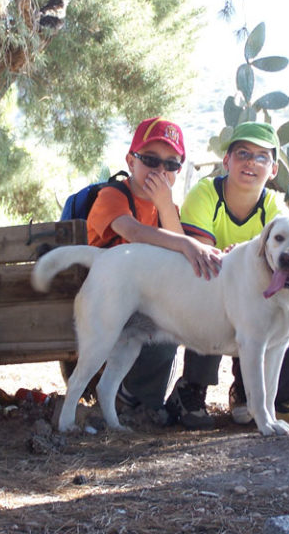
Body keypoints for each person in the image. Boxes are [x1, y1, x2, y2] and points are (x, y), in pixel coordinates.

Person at [164, 121, 289, 430]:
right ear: (227, 161)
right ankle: (192, 389)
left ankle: (283, 398)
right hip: (207, 282)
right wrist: (232, 256)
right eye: (243, 153)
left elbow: (278, 262)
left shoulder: (274, 207)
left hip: (252, 289)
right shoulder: (205, 194)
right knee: (214, 287)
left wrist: (245, 257)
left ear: (273, 170)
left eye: (262, 157)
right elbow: (202, 257)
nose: (251, 162)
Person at [83, 116, 222, 423]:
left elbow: (177, 253)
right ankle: (134, 400)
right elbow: (132, 231)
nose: (160, 171)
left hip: (142, 298)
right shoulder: (113, 196)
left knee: (196, 311)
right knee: (162, 330)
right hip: (107, 300)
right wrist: (186, 244)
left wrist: (164, 205)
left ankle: (175, 393)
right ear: (131, 161)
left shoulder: (166, 208)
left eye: (171, 165)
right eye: (150, 160)